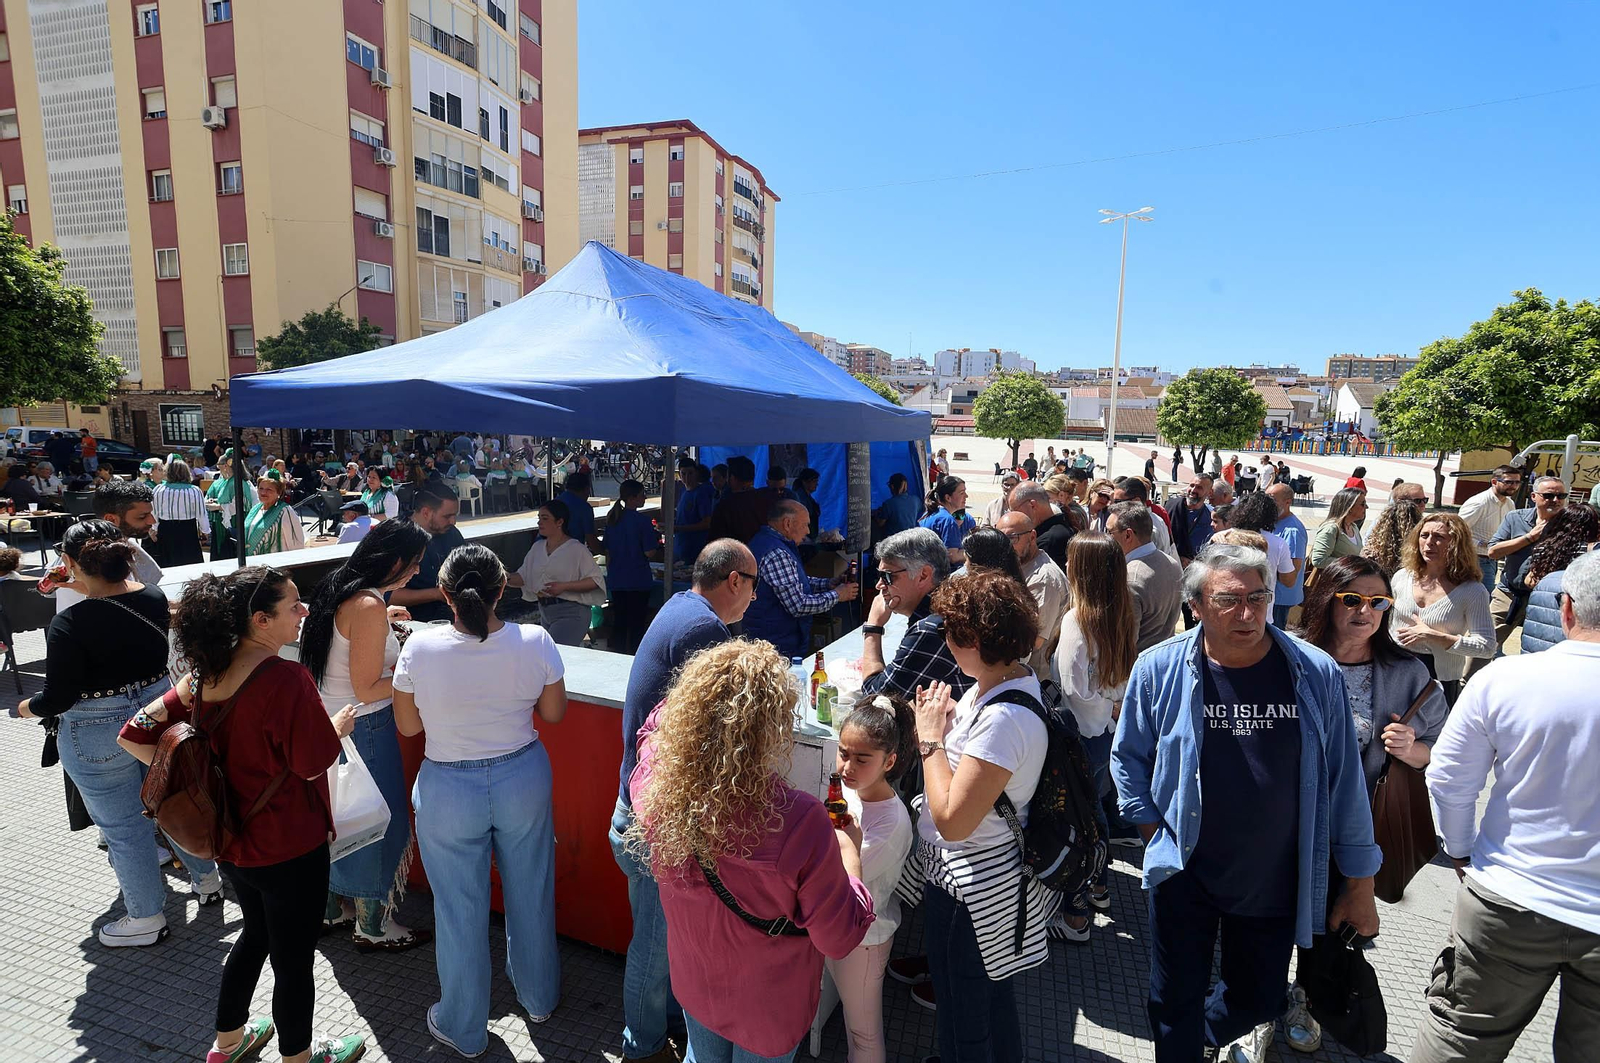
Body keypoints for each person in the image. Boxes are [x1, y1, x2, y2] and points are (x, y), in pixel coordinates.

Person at [1113, 543, 1381, 1063]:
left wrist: (1360, 883)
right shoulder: (1158, 669)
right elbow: (1128, 759)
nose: (1248, 613)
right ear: (1196, 606)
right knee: (1172, 999)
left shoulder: (1314, 672)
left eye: (1258, 598)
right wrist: (1153, 833)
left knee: (1259, 998)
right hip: (1183, 874)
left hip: (1274, 878)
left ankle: (1201, 1037)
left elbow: (1344, 783)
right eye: (1229, 600)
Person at [117, 566, 364, 1063]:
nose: (304, 611)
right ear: (260, 619)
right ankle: (299, 1057)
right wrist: (336, 728)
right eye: (293, 605)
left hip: (228, 839)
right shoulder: (286, 678)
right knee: (293, 958)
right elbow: (312, 762)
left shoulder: (202, 674)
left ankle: (227, 1043)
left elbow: (134, 735)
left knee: (255, 933)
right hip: (289, 843)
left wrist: (197, 778)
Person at [1226, 555, 1451, 1061]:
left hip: (1351, 829)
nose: (1364, 611)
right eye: (1353, 600)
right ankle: (1254, 1008)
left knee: (1330, 925)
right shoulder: (1285, 656)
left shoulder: (1407, 672)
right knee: (1262, 923)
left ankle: (1303, 998)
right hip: (1277, 826)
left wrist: (1411, 747)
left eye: (1378, 602)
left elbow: (1438, 752)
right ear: (1327, 600)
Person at [629, 640, 874, 1063]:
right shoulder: (799, 819)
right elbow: (838, 938)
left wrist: (700, 698)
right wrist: (850, 855)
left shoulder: (654, 787)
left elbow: (651, 730)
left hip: (697, 982)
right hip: (769, 1005)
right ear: (772, 731)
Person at [1412, 549, 1600, 1063]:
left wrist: (1461, 850)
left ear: (1565, 609)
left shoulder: (1505, 679)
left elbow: (1449, 779)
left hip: (1508, 898)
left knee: (1461, 1040)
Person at [392, 544, 567, 1057]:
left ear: (445, 595)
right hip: (522, 777)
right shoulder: (535, 640)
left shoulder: (418, 650)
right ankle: (539, 998)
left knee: (458, 909)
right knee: (531, 889)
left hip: (448, 786)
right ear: (501, 590)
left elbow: (408, 725)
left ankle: (465, 1028)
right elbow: (553, 714)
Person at [16, 521, 220, 945]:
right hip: (155, 715)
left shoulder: (70, 622)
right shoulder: (151, 597)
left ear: (71, 563)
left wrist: (23, 708)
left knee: (125, 828)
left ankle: (145, 918)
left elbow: (56, 698)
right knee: (172, 798)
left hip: (95, 729)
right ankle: (208, 880)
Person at [608, 540, 756, 1063]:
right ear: (734, 581)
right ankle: (642, 1045)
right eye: (753, 586)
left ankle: (664, 1022)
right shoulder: (703, 629)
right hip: (653, 823)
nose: (753, 599)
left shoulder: (681, 605)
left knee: (660, 938)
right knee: (655, 942)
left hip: (636, 808)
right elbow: (714, 729)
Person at [910, 571, 1056, 1062]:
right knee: (992, 999)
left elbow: (952, 820)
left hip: (969, 887)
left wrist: (929, 736)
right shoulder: (1004, 681)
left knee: (961, 1012)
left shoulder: (1003, 719)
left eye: (950, 632)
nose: (944, 641)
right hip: (985, 880)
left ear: (972, 639)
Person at [298, 520, 431, 952]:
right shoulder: (369, 606)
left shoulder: (339, 586)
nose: (415, 574)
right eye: (412, 566)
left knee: (342, 820)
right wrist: (412, 673)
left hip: (333, 724)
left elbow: (342, 649)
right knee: (378, 822)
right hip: (366, 725)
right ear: (393, 561)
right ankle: (373, 926)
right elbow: (368, 687)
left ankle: (333, 909)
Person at [1050, 533, 1137, 942]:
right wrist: (1110, 707)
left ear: (1079, 571)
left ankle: (1077, 910)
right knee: (1097, 810)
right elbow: (1114, 680)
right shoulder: (1120, 612)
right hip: (1105, 731)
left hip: (1081, 733)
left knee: (1078, 821)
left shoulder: (1076, 620)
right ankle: (1099, 884)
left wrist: (1096, 712)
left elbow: (1072, 687)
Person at [829, 695, 917, 1063]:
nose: (847, 767)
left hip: (865, 940)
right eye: (843, 753)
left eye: (862, 758)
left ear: (890, 761)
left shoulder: (892, 823)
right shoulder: (851, 790)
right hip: (839, 928)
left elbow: (843, 879)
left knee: (863, 1033)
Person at [1388, 513, 1494, 702]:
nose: (1429, 543)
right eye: (1424, 535)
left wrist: (1436, 637)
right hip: (1393, 670)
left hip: (1439, 680)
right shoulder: (1402, 577)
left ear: (1456, 544)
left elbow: (1487, 647)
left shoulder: (1473, 591)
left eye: (1439, 537)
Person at [859, 527, 971, 703]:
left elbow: (876, 699)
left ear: (923, 575)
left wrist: (873, 627)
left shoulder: (931, 628)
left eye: (887, 576)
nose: (879, 585)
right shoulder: (951, 603)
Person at [746, 499, 858, 658]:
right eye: (805, 524)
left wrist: (829, 584)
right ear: (787, 524)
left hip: (773, 639)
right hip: (774, 644)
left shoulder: (769, 542)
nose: (807, 531)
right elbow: (798, 605)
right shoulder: (776, 553)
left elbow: (795, 582)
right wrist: (838, 595)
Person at [1480, 474, 1570, 667]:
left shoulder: (1571, 525)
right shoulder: (1516, 518)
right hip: (1509, 594)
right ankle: (1467, 687)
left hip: (1548, 601)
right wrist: (1529, 538)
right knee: (1484, 645)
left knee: (1539, 654)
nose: (1556, 501)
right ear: (1534, 496)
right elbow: (1493, 552)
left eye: (1561, 496)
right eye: (1548, 496)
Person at [509, 500, 606, 646]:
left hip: (572, 612)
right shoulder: (537, 548)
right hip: (545, 612)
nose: (539, 523)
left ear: (559, 522)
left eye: (545, 518)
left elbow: (595, 581)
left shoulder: (576, 549)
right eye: (539, 518)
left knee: (550, 655)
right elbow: (523, 577)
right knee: (550, 659)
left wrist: (564, 587)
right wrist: (502, 576)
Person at [1520, 503, 1600, 654]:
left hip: (1543, 610)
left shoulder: (1546, 548)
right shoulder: (1592, 553)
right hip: (1575, 615)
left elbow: (1529, 581)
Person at [997, 511, 1069, 677]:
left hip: (1035, 677)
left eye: (1012, 538)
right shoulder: (1020, 565)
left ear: (1032, 536)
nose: (1006, 546)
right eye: (1002, 539)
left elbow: (1033, 641)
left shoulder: (1044, 580)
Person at [1107, 501, 1184, 651]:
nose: (1106, 538)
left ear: (1128, 535)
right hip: (1163, 657)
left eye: (1109, 532)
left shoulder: (1131, 579)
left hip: (1137, 666)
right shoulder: (1172, 564)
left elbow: (1126, 643)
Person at [390, 485, 464, 623]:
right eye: (447, 516)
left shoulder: (451, 533)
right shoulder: (397, 536)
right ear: (426, 512)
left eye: (455, 516)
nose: (453, 522)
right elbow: (388, 595)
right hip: (412, 622)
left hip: (453, 620)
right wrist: (437, 594)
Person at [604, 479, 660, 655]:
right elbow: (650, 552)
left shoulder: (613, 521)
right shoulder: (642, 522)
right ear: (632, 498)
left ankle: (616, 652)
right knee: (637, 622)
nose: (645, 497)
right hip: (637, 579)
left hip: (617, 578)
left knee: (620, 619)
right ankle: (635, 655)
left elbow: (608, 552)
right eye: (642, 494)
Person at [1229, 491, 1300, 616]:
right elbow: (1288, 581)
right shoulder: (1277, 543)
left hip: (1227, 609)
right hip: (1261, 615)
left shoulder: (1224, 537)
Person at [1457, 465, 1522, 594]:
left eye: (1517, 482)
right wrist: (1481, 543)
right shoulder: (1479, 502)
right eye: (1508, 482)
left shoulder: (1509, 504)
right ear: (1494, 482)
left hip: (1492, 560)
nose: (1513, 486)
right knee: (1483, 599)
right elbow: (1455, 530)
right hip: (1473, 559)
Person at [708, 455, 779, 545]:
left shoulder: (725, 506)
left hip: (738, 555)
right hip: (767, 551)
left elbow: (715, 541)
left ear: (732, 478)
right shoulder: (769, 499)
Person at [150, 458, 209, 566]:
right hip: (188, 531)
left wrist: (154, 528)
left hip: (165, 530)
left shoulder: (158, 489)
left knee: (167, 564)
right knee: (190, 564)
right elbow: (201, 514)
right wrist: (206, 531)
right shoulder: (194, 490)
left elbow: (154, 512)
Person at [1267, 484, 1309, 628]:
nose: (1267, 503)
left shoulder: (1292, 531)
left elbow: (1292, 571)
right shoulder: (1274, 521)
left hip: (1280, 599)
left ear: (1288, 502)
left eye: (1272, 499)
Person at [1007, 481, 1073, 570]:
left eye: (1015, 510)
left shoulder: (1047, 542)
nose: (1013, 515)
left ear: (1032, 505)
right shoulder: (1064, 527)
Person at [204, 450, 258, 559]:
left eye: (219, 467)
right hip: (223, 523)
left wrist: (218, 506)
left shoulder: (239, 482)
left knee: (229, 553)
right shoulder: (228, 481)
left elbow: (239, 504)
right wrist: (214, 501)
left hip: (234, 523)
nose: (219, 471)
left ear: (226, 466)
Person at [1113, 477, 1179, 561]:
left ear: (1136, 501)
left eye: (1118, 502)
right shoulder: (1155, 520)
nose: (1113, 506)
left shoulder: (1148, 527)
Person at [242, 471, 306, 557]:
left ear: (278, 493)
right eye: (261, 488)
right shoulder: (255, 509)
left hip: (275, 564)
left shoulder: (285, 511)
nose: (263, 493)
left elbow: (296, 544)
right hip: (254, 563)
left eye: (269, 489)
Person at [920, 475, 976, 565]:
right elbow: (953, 556)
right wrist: (975, 552)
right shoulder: (947, 520)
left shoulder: (929, 514)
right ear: (948, 498)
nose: (966, 496)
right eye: (962, 493)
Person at [1308, 488, 1366, 572]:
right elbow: (1318, 560)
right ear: (1349, 507)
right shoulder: (1331, 529)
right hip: (1331, 582)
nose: (1366, 507)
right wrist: (1351, 563)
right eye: (1362, 504)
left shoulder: (1353, 527)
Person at [673, 457, 716, 564]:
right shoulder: (683, 491)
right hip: (680, 546)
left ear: (696, 473)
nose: (687, 477)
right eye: (684, 474)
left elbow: (706, 523)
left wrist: (679, 528)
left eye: (690, 473)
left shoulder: (701, 494)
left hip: (695, 548)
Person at [1168, 474, 1215, 565]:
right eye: (1192, 485)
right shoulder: (1171, 507)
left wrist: (1194, 562)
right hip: (1170, 565)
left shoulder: (1211, 516)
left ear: (1209, 492)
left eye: (1199, 488)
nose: (1193, 490)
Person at [874, 472, 921, 541]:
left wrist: (876, 515)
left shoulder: (888, 504)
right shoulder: (916, 500)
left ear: (892, 486)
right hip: (912, 539)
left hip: (893, 542)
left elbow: (880, 523)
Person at [556, 470, 597, 547]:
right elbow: (592, 542)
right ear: (587, 489)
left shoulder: (554, 502)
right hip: (570, 551)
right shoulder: (584, 508)